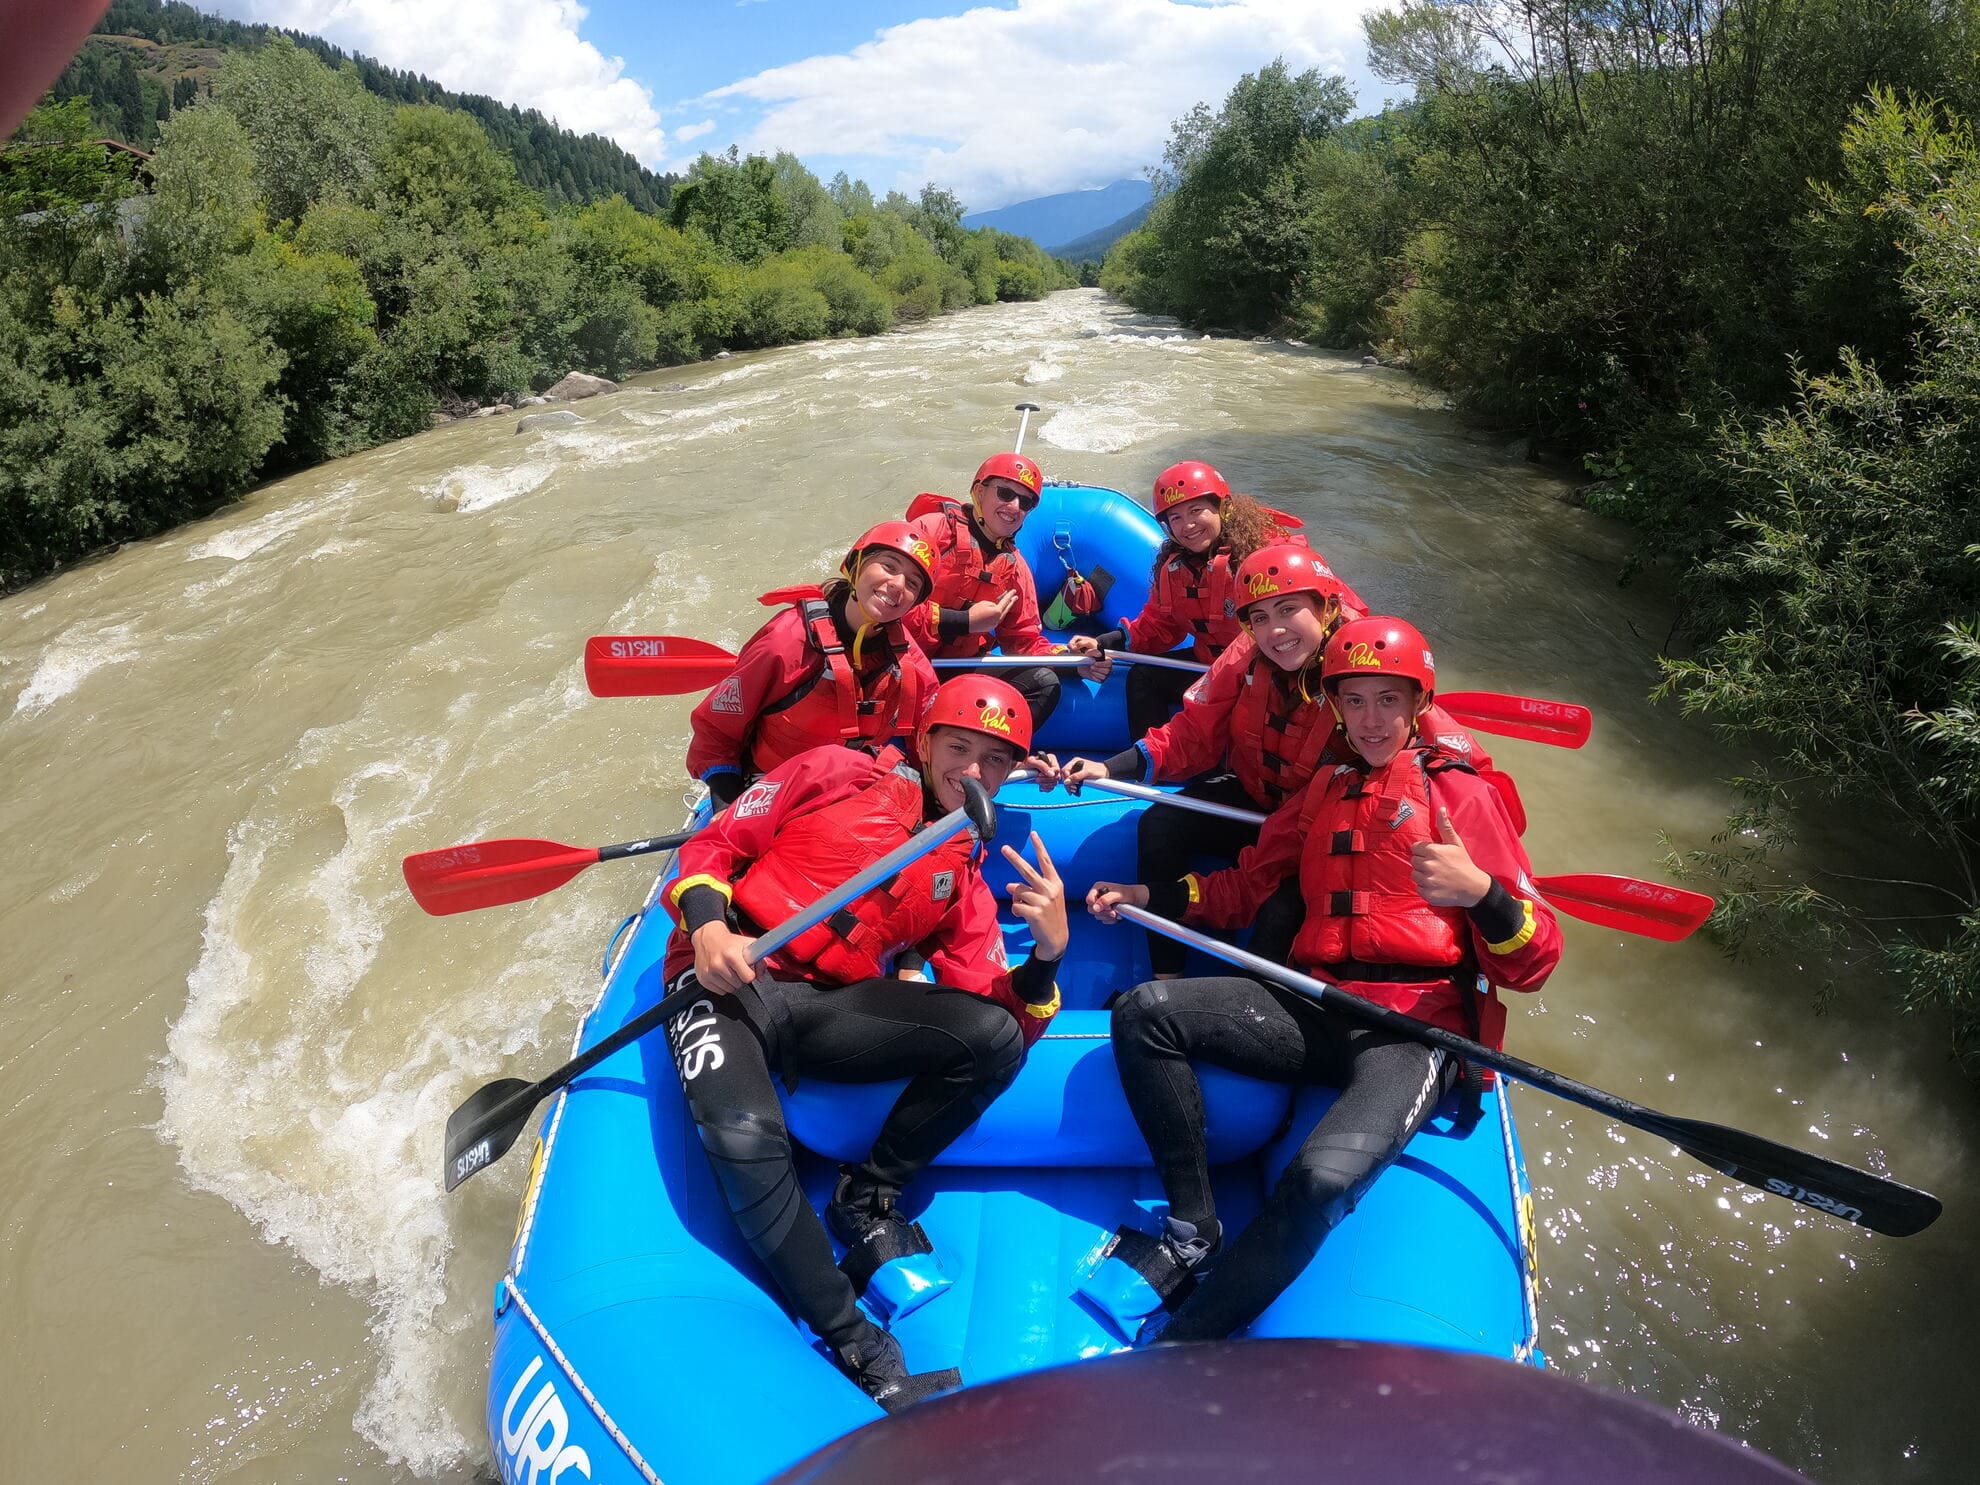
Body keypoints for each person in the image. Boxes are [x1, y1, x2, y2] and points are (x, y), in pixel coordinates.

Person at [1082, 616, 1561, 1343]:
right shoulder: (1326, 785)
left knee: (1316, 1182)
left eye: (1388, 701)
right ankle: (1193, 1229)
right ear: (1335, 704)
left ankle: (1186, 1341)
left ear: (1417, 703)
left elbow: (1538, 957)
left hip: (1409, 1028)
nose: (1371, 719)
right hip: (1314, 1003)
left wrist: (1481, 893)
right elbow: (1247, 885)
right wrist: (1152, 897)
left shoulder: (1459, 795)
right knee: (1145, 1011)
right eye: (1356, 700)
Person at [660, 675, 1069, 1410]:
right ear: (926, 741)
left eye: (997, 761)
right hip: (724, 980)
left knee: (995, 1039)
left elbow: (993, 1007)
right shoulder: (836, 771)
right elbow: (716, 842)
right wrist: (708, 926)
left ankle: (866, 1190)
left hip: (823, 1007)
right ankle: (861, 1345)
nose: (975, 772)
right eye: (960, 748)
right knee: (747, 1135)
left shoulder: (962, 865)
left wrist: (1045, 956)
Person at [1048, 544, 1512, 978]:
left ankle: (1250, 1008)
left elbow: (1458, 770)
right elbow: (1193, 729)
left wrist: (1477, 874)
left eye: (1290, 610)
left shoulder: (1368, 671)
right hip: (1256, 797)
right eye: (1260, 617)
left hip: (1321, 821)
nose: (1275, 631)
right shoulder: (1248, 653)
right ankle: (1165, 973)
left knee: (1284, 907)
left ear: (1327, 609)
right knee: (1160, 825)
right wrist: (1111, 767)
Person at [1070, 462, 1364, 739]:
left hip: (1273, 668)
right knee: (1143, 677)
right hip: (1211, 664)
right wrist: (1106, 643)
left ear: (1222, 508)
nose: (1187, 526)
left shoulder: (1271, 556)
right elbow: (1159, 624)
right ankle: (1153, 767)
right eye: (1176, 518)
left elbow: (1336, 608)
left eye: (1196, 511)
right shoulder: (1175, 567)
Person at [687, 521, 940, 808]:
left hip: (845, 791)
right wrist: (727, 808)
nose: (897, 585)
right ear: (856, 565)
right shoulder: (786, 641)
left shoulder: (911, 663)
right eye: (889, 566)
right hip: (766, 791)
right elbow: (716, 732)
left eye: (912, 583)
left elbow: (931, 736)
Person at [905, 452, 1108, 731]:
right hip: (902, 658)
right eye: (1005, 493)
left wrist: (1072, 661)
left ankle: (990, 756)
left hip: (956, 666)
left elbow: (1023, 642)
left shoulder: (1015, 569)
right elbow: (886, 604)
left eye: (1024, 502)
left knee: (1043, 683)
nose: (1013, 506)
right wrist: (963, 621)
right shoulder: (934, 531)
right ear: (979, 491)